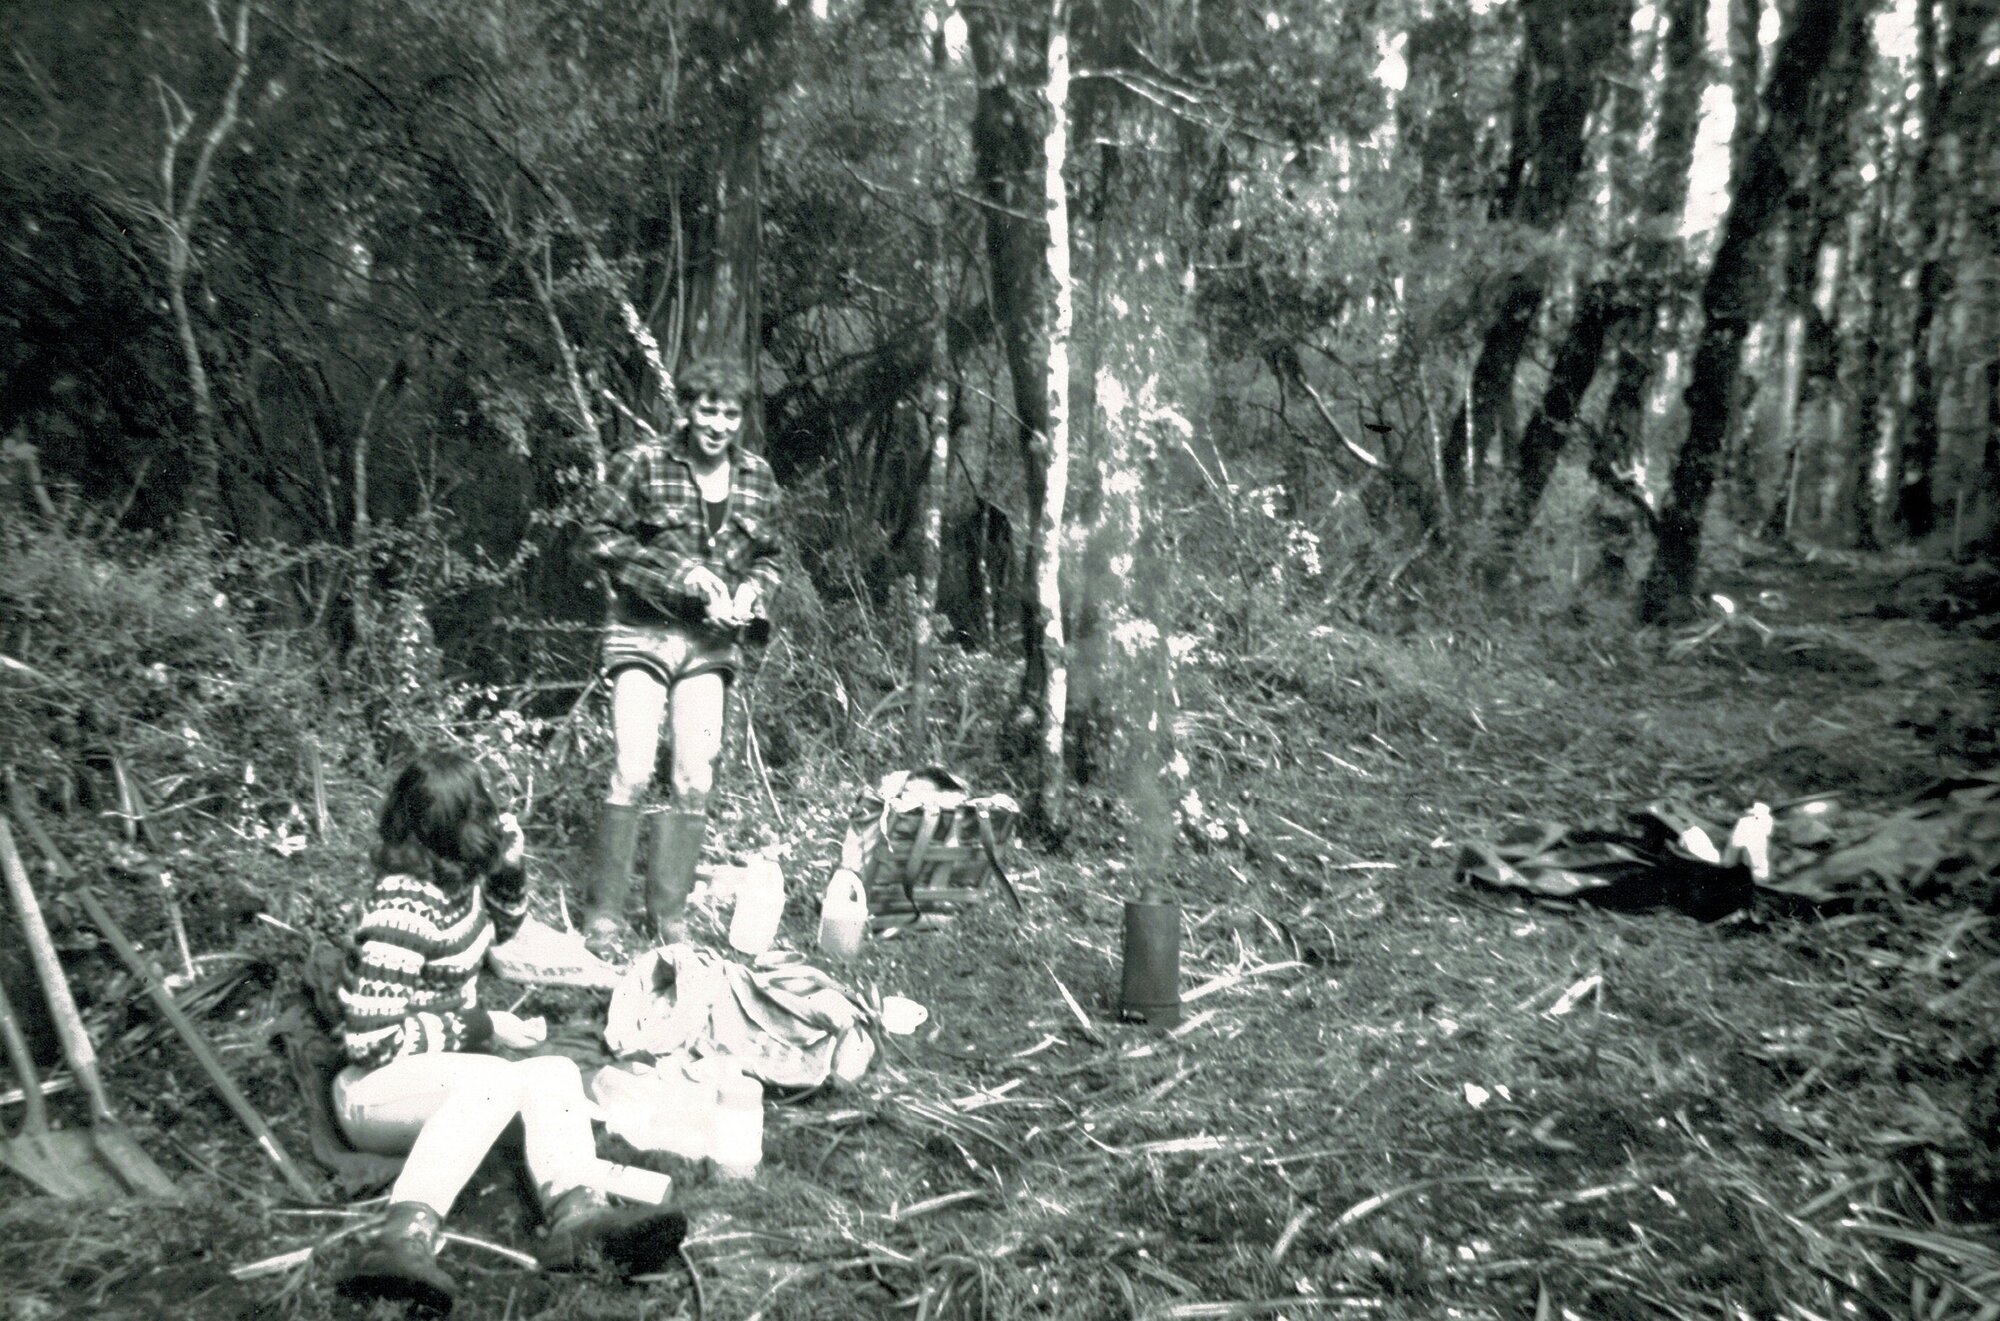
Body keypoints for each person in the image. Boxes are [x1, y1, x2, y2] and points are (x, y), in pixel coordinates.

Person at [333, 751, 686, 1312]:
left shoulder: (453, 877)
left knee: (555, 1072)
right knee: (496, 1081)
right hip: (372, 1091)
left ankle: (577, 1217)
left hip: (434, 1073)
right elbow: (369, 1041)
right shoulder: (403, 906)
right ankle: (399, 1241)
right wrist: (482, 1024)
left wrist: (509, 871)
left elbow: (499, 931)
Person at [580, 355, 782, 954]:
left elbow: (771, 558)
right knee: (634, 767)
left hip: (710, 645)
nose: (717, 425)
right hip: (642, 632)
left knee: (695, 775)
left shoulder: (757, 478)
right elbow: (599, 538)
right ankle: (604, 915)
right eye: (707, 410)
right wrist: (683, 576)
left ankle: (668, 916)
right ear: (687, 409)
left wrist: (752, 592)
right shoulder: (643, 462)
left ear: (741, 419)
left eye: (730, 414)